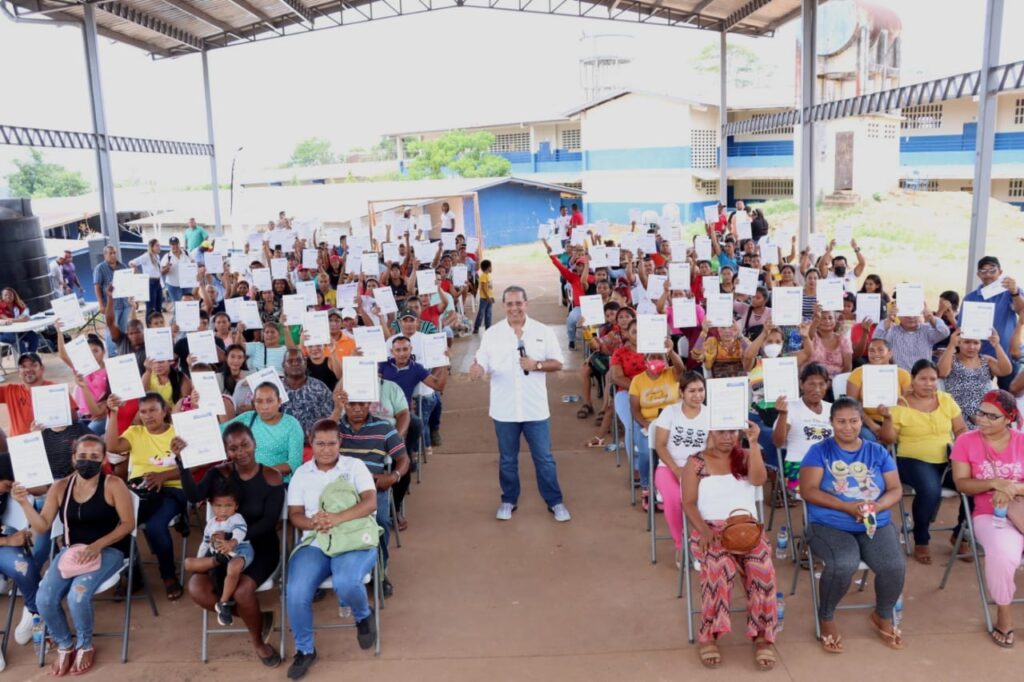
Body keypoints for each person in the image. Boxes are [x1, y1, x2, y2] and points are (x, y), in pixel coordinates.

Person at [13, 435, 134, 676]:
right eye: (82, 456)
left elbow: (128, 524)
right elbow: (43, 525)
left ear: (102, 460)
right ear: (73, 458)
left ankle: (85, 644)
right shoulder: (60, 487)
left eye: (94, 457)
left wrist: (98, 545)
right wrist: (24, 504)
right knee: (43, 599)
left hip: (109, 549)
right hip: (72, 551)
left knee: (77, 596)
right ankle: (65, 645)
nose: (88, 461)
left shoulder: (112, 484)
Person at [799, 397, 907, 653]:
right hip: (830, 524)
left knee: (894, 566)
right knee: (843, 563)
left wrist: (878, 506)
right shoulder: (819, 451)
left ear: (862, 421)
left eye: (854, 421)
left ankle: (881, 615)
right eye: (841, 421)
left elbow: (895, 489)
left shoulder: (877, 451)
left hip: (875, 523)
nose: (848, 427)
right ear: (831, 423)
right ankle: (826, 618)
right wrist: (846, 506)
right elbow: (808, 490)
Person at [173, 423, 285, 666]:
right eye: (233, 448)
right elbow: (194, 496)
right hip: (221, 549)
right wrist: (182, 463)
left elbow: (269, 522)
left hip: (261, 546)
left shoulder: (271, 477)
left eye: (245, 444)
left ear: (254, 443)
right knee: (197, 589)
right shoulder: (219, 474)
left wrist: (234, 540)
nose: (240, 452)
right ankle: (255, 616)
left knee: (242, 590)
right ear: (226, 450)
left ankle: (258, 642)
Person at [285, 419, 380, 680]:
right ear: (311, 444)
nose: (326, 449)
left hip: (352, 537)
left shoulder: (354, 466)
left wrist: (337, 519)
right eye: (320, 443)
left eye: (331, 443)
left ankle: (362, 616)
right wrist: (313, 523)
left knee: (347, 582)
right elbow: (295, 514)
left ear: (340, 442)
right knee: (296, 592)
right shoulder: (302, 474)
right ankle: (305, 650)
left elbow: (371, 502)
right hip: (316, 540)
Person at [470, 286, 570, 522]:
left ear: (526, 304)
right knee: (507, 458)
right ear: (503, 305)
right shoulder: (492, 334)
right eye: (509, 304)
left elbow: (558, 363)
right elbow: (482, 360)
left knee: (544, 458)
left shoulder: (542, 331)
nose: (514, 308)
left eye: (518, 303)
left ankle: (555, 501)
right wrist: (477, 369)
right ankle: (508, 499)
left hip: (535, 408)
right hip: (504, 410)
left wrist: (536, 365)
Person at [682, 423, 777, 670]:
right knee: (718, 567)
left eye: (732, 432)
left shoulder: (745, 456)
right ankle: (709, 634)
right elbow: (689, 503)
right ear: (710, 432)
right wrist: (703, 529)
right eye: (720, 431)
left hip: (747, 529)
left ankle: (762, 635)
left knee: (762, 569)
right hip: (710, 529)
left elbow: (759, 480)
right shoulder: (696, 463)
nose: (727, 437)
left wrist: (753, 443)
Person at [951, 389, 1024, 648]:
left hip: (1020, 508)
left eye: (991, 416)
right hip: (989, 515)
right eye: (980, 412)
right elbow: (961, 484)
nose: (981, 419)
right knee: (1003, 556)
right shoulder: (966, 441)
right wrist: (994, 483)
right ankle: (1004, 614)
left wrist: (1012, 488)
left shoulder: (1021, 441)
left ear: (1008, 419)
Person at [878, 359, 969, 564]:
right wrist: (887, 418)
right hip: (912, 459)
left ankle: (961, 533)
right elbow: (888, 440)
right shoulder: (899, 405)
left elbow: (961, 429)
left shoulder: (946, 400)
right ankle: (921, 539)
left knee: (973, 485)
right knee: (930, 490)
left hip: (947, 460)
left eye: (933, 379)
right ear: (913, 379)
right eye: (923, 379)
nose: (928, 383)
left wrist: (961, 448)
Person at [105, 392, 186, 600]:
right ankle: (133, 573)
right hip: (140, 491)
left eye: (153, 410)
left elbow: (192, 466)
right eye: (143, 412)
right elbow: (113, 447)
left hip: (172, 489)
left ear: (165, 411)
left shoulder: (178, 433)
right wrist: (113, 413)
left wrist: (163, 475)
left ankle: (168, 575)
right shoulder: (135, 432)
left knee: (155, 526)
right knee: (118, 524)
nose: (148, 416)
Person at [653, 371, 709, 568]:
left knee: (706, 500)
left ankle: (700, 541)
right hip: (669, 467)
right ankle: (680, 545)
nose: (697, 395)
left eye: (701, 390)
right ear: (682, 393)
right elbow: (660, 445)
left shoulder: (710, 415)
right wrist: (677, 470)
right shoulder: (670, 412)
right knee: (675, 499)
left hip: (699, 468)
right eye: (692, 391)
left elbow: (712, 449)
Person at [184, 477, 253, 627]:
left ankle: (224, 602)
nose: (223, 510)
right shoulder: (211, 524)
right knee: (189, 563)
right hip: (218, 555)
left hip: (239, 550)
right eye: (218, 506)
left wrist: (231, 542)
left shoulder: (236, 518)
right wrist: (200, 559)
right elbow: (205, 542)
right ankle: (215, 562)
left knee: (233, 567)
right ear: (211, 505)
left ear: (236, 506)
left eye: (228, 506)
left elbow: (241, 532)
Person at [960, 256, 1024, 390]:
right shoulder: (971, 297)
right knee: (978, 394)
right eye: (983, 271)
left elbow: (1021, 311)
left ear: (1000, 272)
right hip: (980, 357)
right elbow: (962, 328)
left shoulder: (1011, 292)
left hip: (1008, 354)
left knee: (1010, 396)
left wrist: (1015, 293)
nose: (988, 275)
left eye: (992, 270)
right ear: (978, 274)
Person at [222, 382, 304, 479]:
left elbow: (294, 463)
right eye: (259, 401)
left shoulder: (291, 424)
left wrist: (259, 473)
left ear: (279, 402)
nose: (264, 407)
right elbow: (218, 431)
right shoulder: (247, 418)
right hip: (245, 479)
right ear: (254, 403)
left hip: (276, 482)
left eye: (269, 401)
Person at [772, 363, 834, 488]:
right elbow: (778, 443)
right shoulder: (789, 407)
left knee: (852, 486)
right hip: (798, 466)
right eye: (811, 384)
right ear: (801, 384)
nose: (817, 389)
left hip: (830, 465)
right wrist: (783, 415)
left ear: (827, 385)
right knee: (826, 489)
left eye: (821, 384)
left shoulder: (832, 409)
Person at [938, 329, 1013, 429]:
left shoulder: (986, 360)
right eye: (967, 342)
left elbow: (1006, 370)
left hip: (986, 412)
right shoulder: (952, 359)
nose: (971, 347)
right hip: (960, 413)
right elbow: (942, 373)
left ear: (981, 344)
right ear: (959, 343)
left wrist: (997, 345)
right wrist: (951, 345)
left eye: (976, 343)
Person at [846, 338, 911, 440]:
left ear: (889, 353)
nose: (876, 353)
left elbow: (908, 402)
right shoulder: (858, 373)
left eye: (880, 350)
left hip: (896, 421)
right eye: (872, 350)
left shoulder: (902, 374)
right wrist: (872, 425)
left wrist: (890, 420)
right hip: (867, 420)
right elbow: (852, 404)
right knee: (868, 438)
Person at [0, 353, 77, 436]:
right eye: (23, 367)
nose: (28, 369)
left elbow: (74, 417)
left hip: (51, 442)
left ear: (42, 368)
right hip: (20, 444)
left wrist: (57, 422)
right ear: (19, 372)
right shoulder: (10, 390)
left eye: (33, 365)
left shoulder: (56, 389)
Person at [872, 303, 950, 372]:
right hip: (901, 378)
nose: (911, 317)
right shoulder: (892, 331)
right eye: (906, 314)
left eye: (915, 313)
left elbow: (944, 332)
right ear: (898, 316)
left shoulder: (927, 330)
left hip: (923, 377)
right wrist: (889, 319)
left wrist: (931, 318)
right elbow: (876, 338)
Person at [279, 350, 334, 438]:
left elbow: (329, 418)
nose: (295, 363)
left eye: (299, 360)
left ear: (305, 363)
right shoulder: (275, 389)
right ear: (283, 365)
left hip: (313, 444)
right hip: (283, 443)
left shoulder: (320, 387)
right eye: (290, 361)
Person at [93, 246, 129, 354]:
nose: (113, 255)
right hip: (111, 306)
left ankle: (122, 351)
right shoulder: (100, 268)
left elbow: (128, 284)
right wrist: (101, 304)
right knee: (110, 330)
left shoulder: (123, 266)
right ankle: (113, 354)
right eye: (110, 253)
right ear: (105, 255)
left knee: (123, 330)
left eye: (114, 253)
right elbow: (97, 286)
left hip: (125, 304)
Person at [129, 238, 164, 319]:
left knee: (158, 307)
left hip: (158, 282)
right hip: (150, 283)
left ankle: (158, 326)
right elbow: (131, 262)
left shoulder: (157, 256)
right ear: (152, 247)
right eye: (157, 245)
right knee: (150, 308)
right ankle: (149, 328)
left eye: (159, 245)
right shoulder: (146, 256)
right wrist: (138, 274)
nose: (159, 247)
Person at [0, 287, 40, 353]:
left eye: (10, 294)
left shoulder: (18, 304)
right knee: (17, 341)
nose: (8, 296)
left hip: (18, 330)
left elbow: (26, 315)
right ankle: (27, 359)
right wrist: (20, 319)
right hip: (3, 333)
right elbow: (6, 319)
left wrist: (21, 318)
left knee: (33, 336)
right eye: (6, 295)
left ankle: (30, 357)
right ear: (2, 296)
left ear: (14, 295)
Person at [161, 236, 193, 303]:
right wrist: (167, 268)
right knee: (177, 305)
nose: (175, 246)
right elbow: (161, 273)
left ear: (179, 244)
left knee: (188, 304)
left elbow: (194, 264)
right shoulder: (167, 257)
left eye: (176, 244)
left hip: (187, 284)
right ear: (170, 245)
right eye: (173, 244)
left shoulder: (187, 253)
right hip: (173, 285)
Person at [473, 259, 494, 334]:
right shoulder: (483, 276)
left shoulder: (488, 276)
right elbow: (483, 288)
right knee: (481, 313)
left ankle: (488, 328)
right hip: (484, 298)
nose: (492, 268)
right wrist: (488, 298)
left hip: (489, 298)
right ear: (488, 267)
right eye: (491, 267)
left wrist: (491, 297)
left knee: (488, 314)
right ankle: (476, 327)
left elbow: (489, 288)